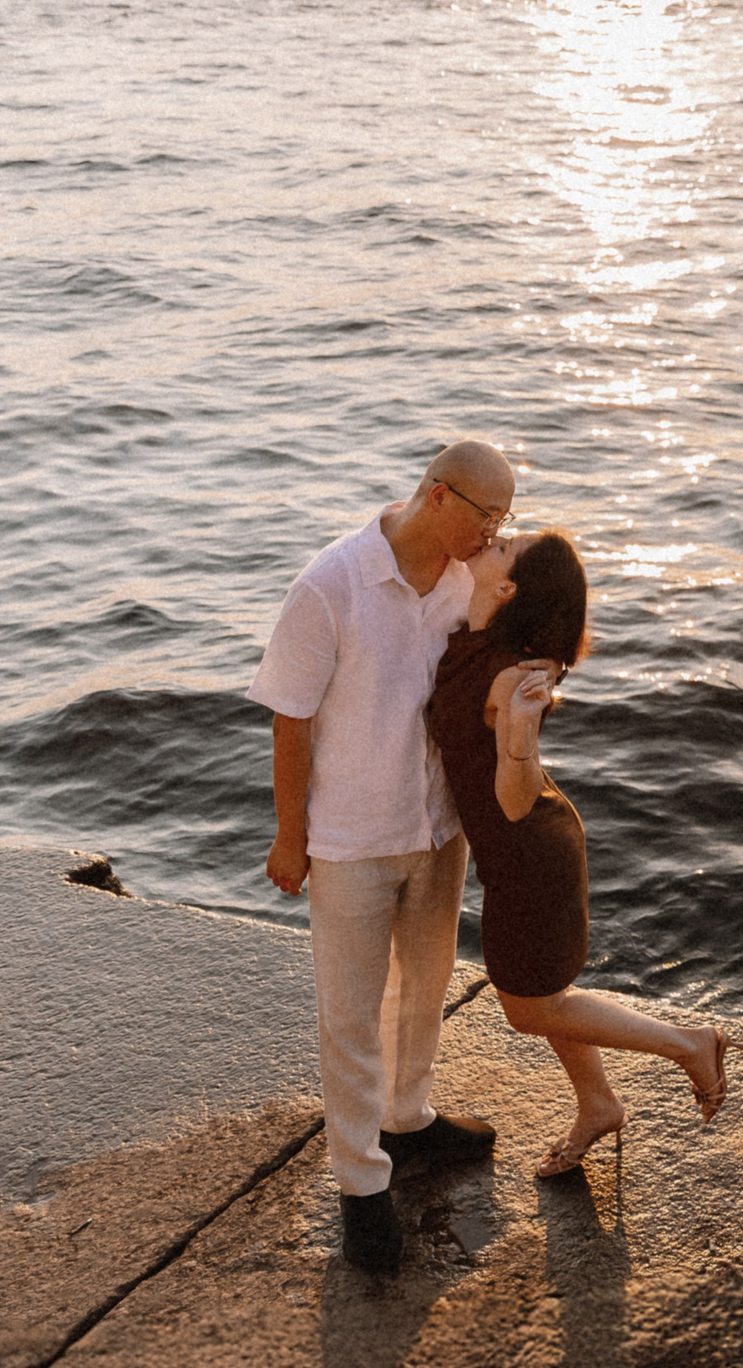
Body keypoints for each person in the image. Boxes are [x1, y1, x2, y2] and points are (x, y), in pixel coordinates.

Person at [247, 440, 534, 1276]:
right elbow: (290, 719)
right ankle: (360, 1183)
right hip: (350, 838)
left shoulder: (461, 580)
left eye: (504, 521)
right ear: (440, 497)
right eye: (490, 517)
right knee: (349, 1013)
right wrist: (289, 835)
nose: (496, 534)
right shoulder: (329, 585)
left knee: (425, 986)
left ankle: (409, 1120)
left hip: (436, 828)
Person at [426, 529, 739, 1177]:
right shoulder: (479, 634)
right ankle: (598, 1102)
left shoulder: (511, 675)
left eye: (505, 545)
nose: (495, 538)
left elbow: (513, 800)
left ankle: (691, 1045)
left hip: (529, 853)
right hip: (525, 848)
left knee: (529, 1007)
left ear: (507, 586)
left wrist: (517, 735)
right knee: (546, 992)